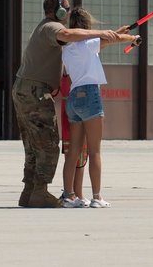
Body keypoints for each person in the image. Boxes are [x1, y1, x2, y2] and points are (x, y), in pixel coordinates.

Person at [12, 0, 131, 208]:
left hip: (27, 90)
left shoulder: (52, 32)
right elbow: (71, 35)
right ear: (56, 11)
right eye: (65, 9)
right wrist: (104, 33)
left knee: (33, 145)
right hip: (35, 92)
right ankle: (39, 192)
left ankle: (30, 191)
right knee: (48, 144)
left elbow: (87, 43)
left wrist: (112, 35)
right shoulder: (53, 28)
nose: (67, 12)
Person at [60, 6, 141, 208]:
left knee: (73, 152)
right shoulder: (89, 45)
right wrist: (132, 39)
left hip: (73, 99)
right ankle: (97, 197)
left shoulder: (67, 48)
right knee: (94, 151)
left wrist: (119, 32)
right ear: (88, 26)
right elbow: (107, 41)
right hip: (90, 95)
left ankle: (68, 196)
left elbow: (105, 40)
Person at [58, 72, 89, 206]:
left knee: (80, 154)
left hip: (75, 104)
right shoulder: (72, 60)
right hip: (76, 105)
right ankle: (71, 192)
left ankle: (76, 192)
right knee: (75, 152)